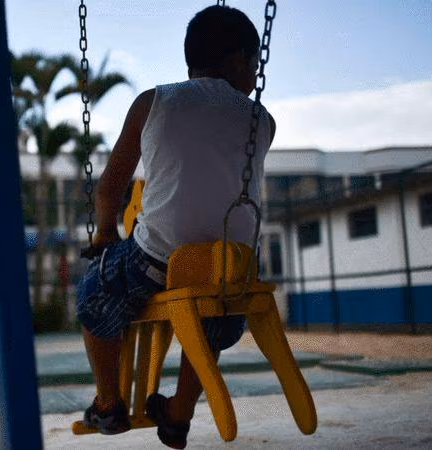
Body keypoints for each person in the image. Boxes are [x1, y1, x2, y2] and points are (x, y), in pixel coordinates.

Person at [75, 5, 276, 449]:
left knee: (94, 291)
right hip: (233, 269)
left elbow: (111, 188)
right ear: (241, 62)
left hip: (158, 259)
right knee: (211, 315)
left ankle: (108, 402)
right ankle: (178, 413)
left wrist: (106, 233)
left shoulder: (154, 101)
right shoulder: (264, 121)